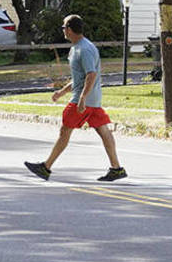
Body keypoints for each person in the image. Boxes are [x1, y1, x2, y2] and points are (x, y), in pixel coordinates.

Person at [25, 14, 127, 182]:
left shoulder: (84, 49)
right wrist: (61, 92)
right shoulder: (78, 48)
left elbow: (91, 75)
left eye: (64, 27)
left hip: (84, 100)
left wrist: (82, 98)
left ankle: (46, 167)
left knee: (65, 130)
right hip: (92, 100)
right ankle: (116, 169)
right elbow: (79, 78)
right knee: (103, 130)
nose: (63, 30)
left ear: (69, 29)